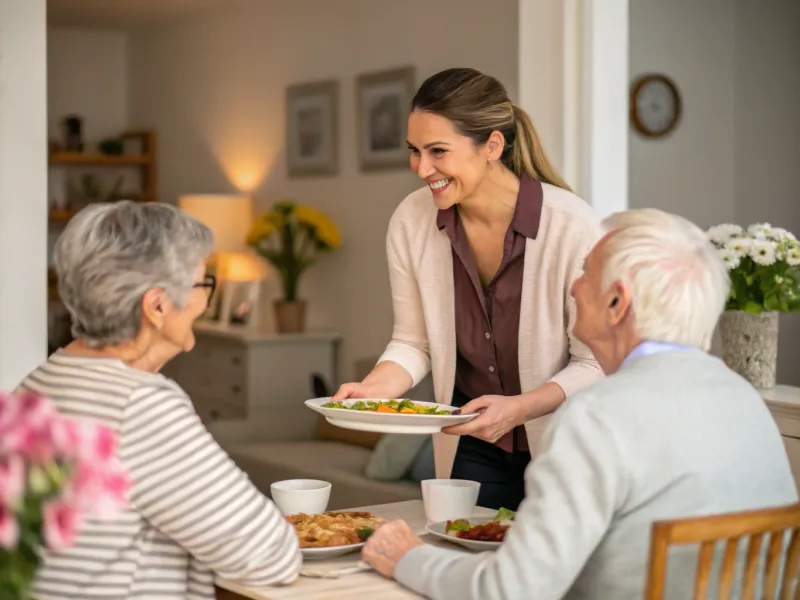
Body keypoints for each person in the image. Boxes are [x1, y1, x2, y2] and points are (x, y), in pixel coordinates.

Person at [359, 208, 799, 599]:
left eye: (586, 272)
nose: (573, 287)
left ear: (616, 302)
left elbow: (508, 590)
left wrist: (407, 558)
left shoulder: (598, 417)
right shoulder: (743, 400)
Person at [332, 67, 603, 510]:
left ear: (492, 146)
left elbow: (595, 364)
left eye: (438, 151)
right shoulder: (411, 220)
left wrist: (520, 408)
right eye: (415, 151)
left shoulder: (573, 227)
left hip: (564, 445)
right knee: (463, 556)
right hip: (471, 438)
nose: (422, 169)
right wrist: (373, 388)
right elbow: (413, 342)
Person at [17, 201, 301, 599]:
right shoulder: (139, 404)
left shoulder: (36, 386)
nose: (204, 302)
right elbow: (269, 553)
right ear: (157, 306)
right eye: (203, 284)